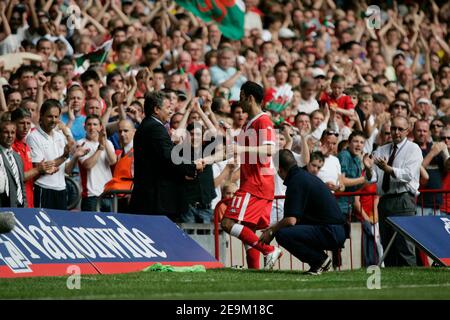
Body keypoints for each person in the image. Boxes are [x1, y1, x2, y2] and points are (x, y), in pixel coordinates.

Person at [221, 81, 282, 270]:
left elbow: (269, 149)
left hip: (256, 185)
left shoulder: (263, 120)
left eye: (241, 96)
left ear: (250, 98)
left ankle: (269, 250)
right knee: (249, 230)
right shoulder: (249, 123)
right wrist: (204, 161)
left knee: (227, 223)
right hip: (253, 183)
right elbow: (234, 150)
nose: (239, 101)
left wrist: (241, 147)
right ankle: (254, 273)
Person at [259, 149, 346, 275]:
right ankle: (320, 261)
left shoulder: (296, 181)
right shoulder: (303, 176)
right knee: (285, 230)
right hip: (335, 230)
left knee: (282, 234)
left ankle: (319, 261)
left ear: (280, 170)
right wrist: (273, 228)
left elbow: (290, 220)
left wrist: (272, 231)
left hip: (331, 231)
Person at [129, 92, 204, 221]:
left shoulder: (148, 125)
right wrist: (193, 166)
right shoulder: (155, 128)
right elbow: (169, 158)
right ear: (156, 109)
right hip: (156, 200)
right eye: (168, 107)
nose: (171, 111)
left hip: (151, 198)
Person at [365, 116, 423, 267]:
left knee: (404, 246)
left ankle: (411, 281)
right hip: (384, 201)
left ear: (407, 130)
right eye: (393, 128)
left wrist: (388, 169)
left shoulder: (413, 149)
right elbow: (372, 179)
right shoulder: (381, 149)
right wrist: (368, 168)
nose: (396, 132)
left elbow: (408, 174)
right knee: (387, 245)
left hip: (403, 199)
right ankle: (391, 282)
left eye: (400, 129)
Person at [27, 99, 73, 210]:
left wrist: (75, 156)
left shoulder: (60, 136)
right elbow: (40, 168)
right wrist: (64, 156)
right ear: (41, 116)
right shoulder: (33, 137)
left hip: (61, 189)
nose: (53, 120)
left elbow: (67, 169)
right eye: (50, 116)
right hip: (43, 189)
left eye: (56, 117)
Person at [78, 115, 117, 212]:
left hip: (108, 194)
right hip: (91, 196)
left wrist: (104, 141)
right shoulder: (80, 143)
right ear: (84, 127)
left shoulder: (109, 143)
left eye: (95, 124)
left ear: (100, 127)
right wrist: (100, 148)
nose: (92, 128)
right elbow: (88, 165)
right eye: (89, 124)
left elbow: (113, 161)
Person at [0, 121, 27, 207]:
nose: (10, 136)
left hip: (19, 205)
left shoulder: (17, 157)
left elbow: (21, 184)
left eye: (12, 133)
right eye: (6, 132)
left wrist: (25, 205)